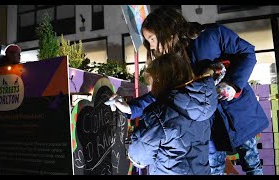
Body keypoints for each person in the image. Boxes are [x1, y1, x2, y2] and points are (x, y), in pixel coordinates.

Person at [109, 7, 269, 175]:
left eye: (152, 38)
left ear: (167, 29)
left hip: (237, 113)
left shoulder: (212, 34)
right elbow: (167, 96)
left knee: (252, 164)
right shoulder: (171, 61)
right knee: (214, 170)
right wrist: (131, 108)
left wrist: (233, 83)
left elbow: (246, 52)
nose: (151, 45)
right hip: (207, 125)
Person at [117, 52, 217, 175]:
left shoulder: (159, 114)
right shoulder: (203, 105)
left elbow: (139, 157)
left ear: (159, 80)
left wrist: (134, 138)